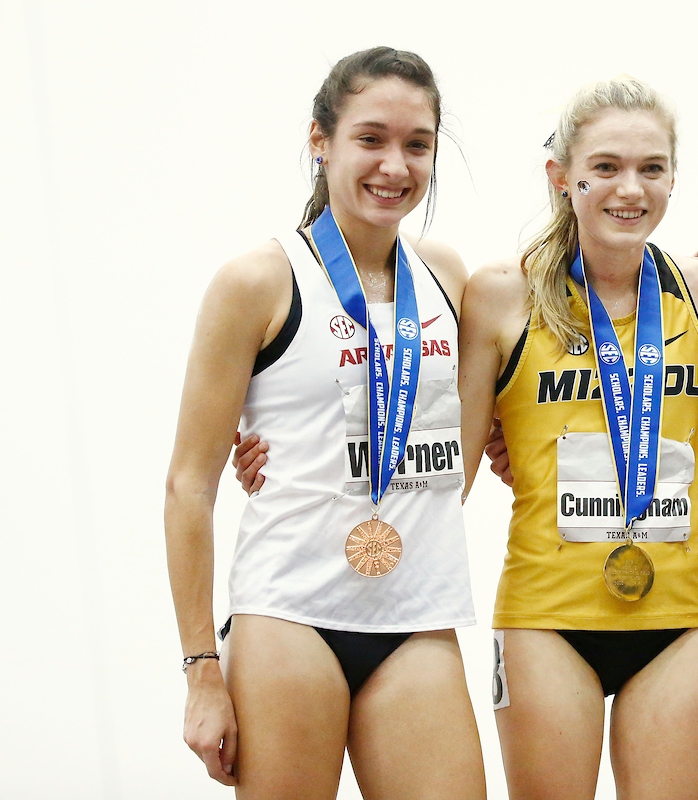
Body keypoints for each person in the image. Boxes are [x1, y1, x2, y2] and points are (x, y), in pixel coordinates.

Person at [164, 47, 485, 798]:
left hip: (417, 613)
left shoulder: (448, 275)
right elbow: (188, 485)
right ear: (321, 141)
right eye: (370, 139)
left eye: (417, 144)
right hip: (289, 616)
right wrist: (200, 671)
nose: (395, 167)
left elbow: (518, 392)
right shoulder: (258, 282)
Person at [456, 77, 698, 800]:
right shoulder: (499, 295)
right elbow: (443, 474)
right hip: (547, 617)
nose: (629, 189)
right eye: (605, 167)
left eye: (651, 168)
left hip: (678, 618)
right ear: (561, 176)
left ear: (674, 175)